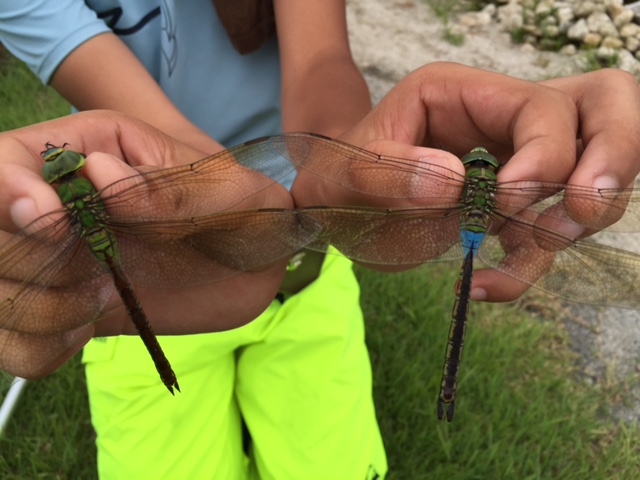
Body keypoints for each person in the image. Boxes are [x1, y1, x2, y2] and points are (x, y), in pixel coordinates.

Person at [1, 2, 640, 480]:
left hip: (303, 265)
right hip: (158, 275)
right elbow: (162, 134)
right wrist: (274, 209)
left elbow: (320, 69)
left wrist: (352, 170)